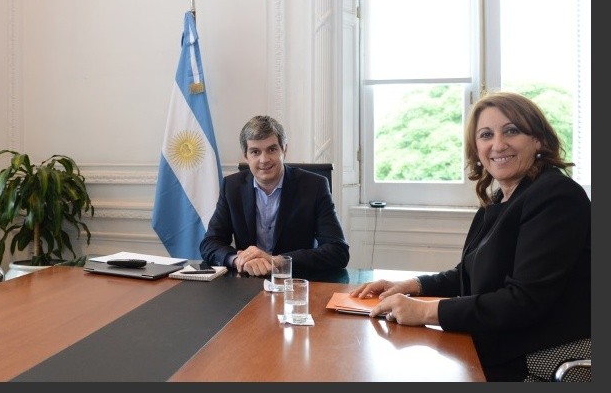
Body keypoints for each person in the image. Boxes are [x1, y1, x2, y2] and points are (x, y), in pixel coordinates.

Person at [349, 92, 590, 381]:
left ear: (538, 140)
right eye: (486, 135)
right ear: (476, 149)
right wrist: (412, 285)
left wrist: (426, 311)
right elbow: (470, 273)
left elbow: (523, 301)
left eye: (511, 130)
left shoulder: (556, 196)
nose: (498, 144)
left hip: (541, 351)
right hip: (502, 339)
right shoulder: (503, 199)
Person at [200, 115, 350, 276]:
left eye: (272, 150)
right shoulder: (232, 187)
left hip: (296, 283)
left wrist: (277, 261)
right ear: (246, 155)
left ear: (284, 149)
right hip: (248, 281)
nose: (264, 160)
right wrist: (238, 260)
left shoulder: (314, 186)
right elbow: (210, 243)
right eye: (255, 152)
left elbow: (338, 251)